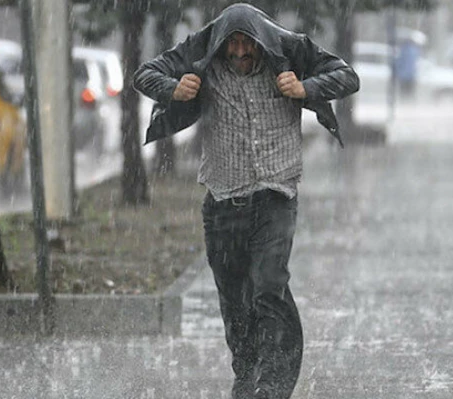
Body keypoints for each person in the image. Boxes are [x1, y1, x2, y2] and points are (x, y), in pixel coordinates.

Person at [134, 3, 359, 398]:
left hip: (276, 195)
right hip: (222, 201)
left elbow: (346, 76)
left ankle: (273, 384)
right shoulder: (202, 48)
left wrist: (306, 88)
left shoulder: (289, 49)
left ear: (261, 41)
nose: (239, 51)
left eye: (246, 43)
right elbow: (143, 73)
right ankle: (247, 372)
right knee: (235, 299)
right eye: (232, 44)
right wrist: (174, 88)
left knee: (269, 287)